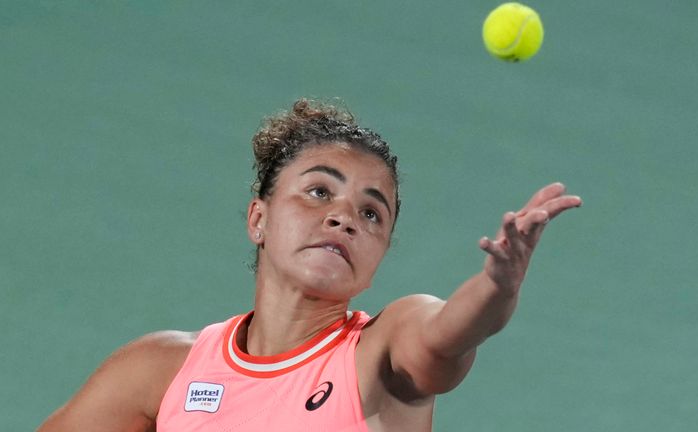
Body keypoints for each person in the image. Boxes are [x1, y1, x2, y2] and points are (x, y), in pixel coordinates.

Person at [38, 99, 582, 432]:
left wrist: (497, 285)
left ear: (380, 255)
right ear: (259, 219)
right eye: (319, 191)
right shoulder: (162, 369)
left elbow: (447, 334)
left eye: (372, 213)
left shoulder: (381, 354)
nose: (344, 218)